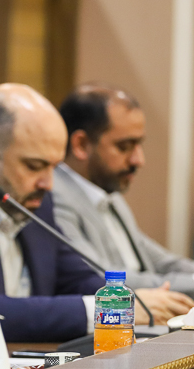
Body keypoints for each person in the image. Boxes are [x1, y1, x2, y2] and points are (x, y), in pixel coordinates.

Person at [0, 83, 191, 342]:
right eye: (34, 166)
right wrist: (112, 310)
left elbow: (76, 278)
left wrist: (128, 301)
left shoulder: (34, 196)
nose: (48, 184)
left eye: (53, 167)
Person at [54, 83, 194, 304]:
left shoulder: (108, 192)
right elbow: (100, 279)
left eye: (138, 145)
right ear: (81, 144)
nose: (139, 160)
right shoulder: (54, 197)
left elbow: (159, 259)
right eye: (125, 146)